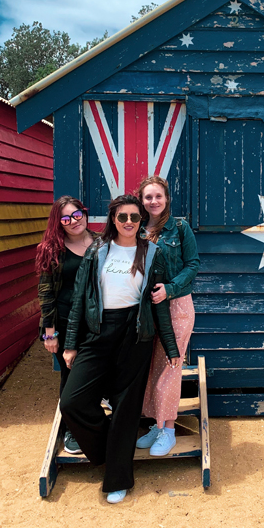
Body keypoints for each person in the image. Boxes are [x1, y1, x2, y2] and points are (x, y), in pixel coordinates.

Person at [60, 194, 179, 504]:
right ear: (112, 219)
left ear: (141, 221)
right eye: (122, 217)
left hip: (135, 334)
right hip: (99, 332)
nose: (129, 222)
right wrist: (70, 344)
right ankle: (107, 450)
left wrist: (170, 346)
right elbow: (78, 301)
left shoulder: (153, 253)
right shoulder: (97, 251)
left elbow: (159, 304)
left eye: (135, 218)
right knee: (72, 401)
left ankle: (118, 479)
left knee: (126, 409)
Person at [136, 176, 200, 456]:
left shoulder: (180, 228)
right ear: (141, 200)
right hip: (146, 309)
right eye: (148, 197)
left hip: (176, 307)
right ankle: (157, 423)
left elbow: (193, 264)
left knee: (170, 367)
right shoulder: (134, 228)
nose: (153, 202)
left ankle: (169, 430)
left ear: (166, 199)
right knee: (149, 367)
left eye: (158, 196)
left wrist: (171, 289)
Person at [36, 195, 95, 455]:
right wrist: (50, 333)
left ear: (84, 213)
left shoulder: (101, 243)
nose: (73, 221)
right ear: (58, 223)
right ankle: (72, 428)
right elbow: (46, 292)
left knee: (93, 373)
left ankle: (94, 422)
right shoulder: (52, 250)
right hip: (63, 320)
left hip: (95, 321)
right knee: (70, 376)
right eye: (66, 218)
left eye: (77, 214)